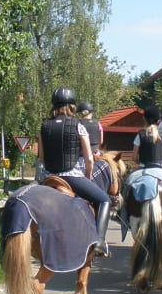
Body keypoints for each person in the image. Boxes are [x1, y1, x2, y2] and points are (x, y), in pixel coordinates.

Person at [36, 87, 112, 256]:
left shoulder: (43, 127)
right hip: (72, 176)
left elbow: (41, 158)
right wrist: (87, 176)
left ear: (54, 106)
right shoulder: (78, 126)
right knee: (104, 200)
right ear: (72, 106)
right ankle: (99, 242)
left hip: (49, 177)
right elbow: (89, 159)